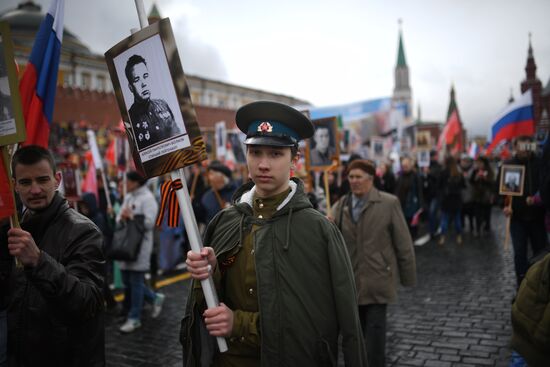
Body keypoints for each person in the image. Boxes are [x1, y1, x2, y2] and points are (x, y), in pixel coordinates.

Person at [181, 101, 367, 366]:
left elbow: (326, 321)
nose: (263, 164)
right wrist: (212, 271)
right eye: (255, 152)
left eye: (275, 154)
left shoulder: (319, 231)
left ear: (295, 159)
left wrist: (240, 324)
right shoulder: (224, 221)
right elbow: (203, 310)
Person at [1, 145, 105, 366]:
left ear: (57, 179)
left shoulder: (83, 231)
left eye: (42, 180)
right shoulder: (12, 230)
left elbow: (87, 303)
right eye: (26, 182)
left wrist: (39, 261)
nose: (35, 190)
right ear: (14, 185)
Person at [332, 159, 416, 367]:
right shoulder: (341, 204)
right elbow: (327, 235)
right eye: (351, 177)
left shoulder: (388, 203)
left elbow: (403, 243)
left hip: (378, 280)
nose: (354, 181)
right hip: (350, 282)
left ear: (370, 179)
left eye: (358, 177)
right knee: (354, 337)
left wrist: (408, 277)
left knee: (376, 339)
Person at [117, 170, 165, 333]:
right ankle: (154, 298)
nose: (125, 185)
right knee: (128, 281)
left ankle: (134, 317)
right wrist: (122, 216)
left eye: (127, 182)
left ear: (136, 182)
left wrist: (131, 217)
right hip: (126, 245)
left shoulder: (148, 198)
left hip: (140, 247)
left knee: (136, 282)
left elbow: (149, 223)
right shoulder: (129, 197)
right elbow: (118, 218)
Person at [502, 136, 547, 287]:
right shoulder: (508, 165)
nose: (525, 149)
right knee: (520, 253)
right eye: (522, 146)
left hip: (538, 217)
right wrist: (505, 205)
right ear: (516, 147)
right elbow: (502, 192)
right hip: (517, 218)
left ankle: (540, 286)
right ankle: (521, 286)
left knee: (541, 253)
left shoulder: (540, 163)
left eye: (529, 146)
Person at [125, 54, 181, 150]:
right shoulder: (129, 118)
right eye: (137, 79)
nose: (144, 83)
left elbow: (177, 136)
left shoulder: (163, 105)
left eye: (145, 76)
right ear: (131, 87)